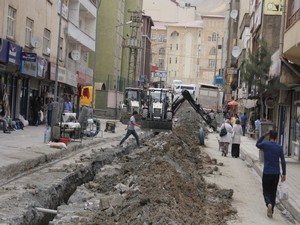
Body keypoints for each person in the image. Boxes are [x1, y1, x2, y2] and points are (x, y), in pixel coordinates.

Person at [256, 130, 286, 218]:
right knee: (273, 192)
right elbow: (283, 161)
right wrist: (284, 174)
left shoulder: (265, 145)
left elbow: (257, 144)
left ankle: (268, 203)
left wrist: (263, 135)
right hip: (276, 173)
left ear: (269, 137)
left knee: (266, 191)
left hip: (267, 172)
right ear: (276, 138)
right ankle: (271, 210)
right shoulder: (279, 147)